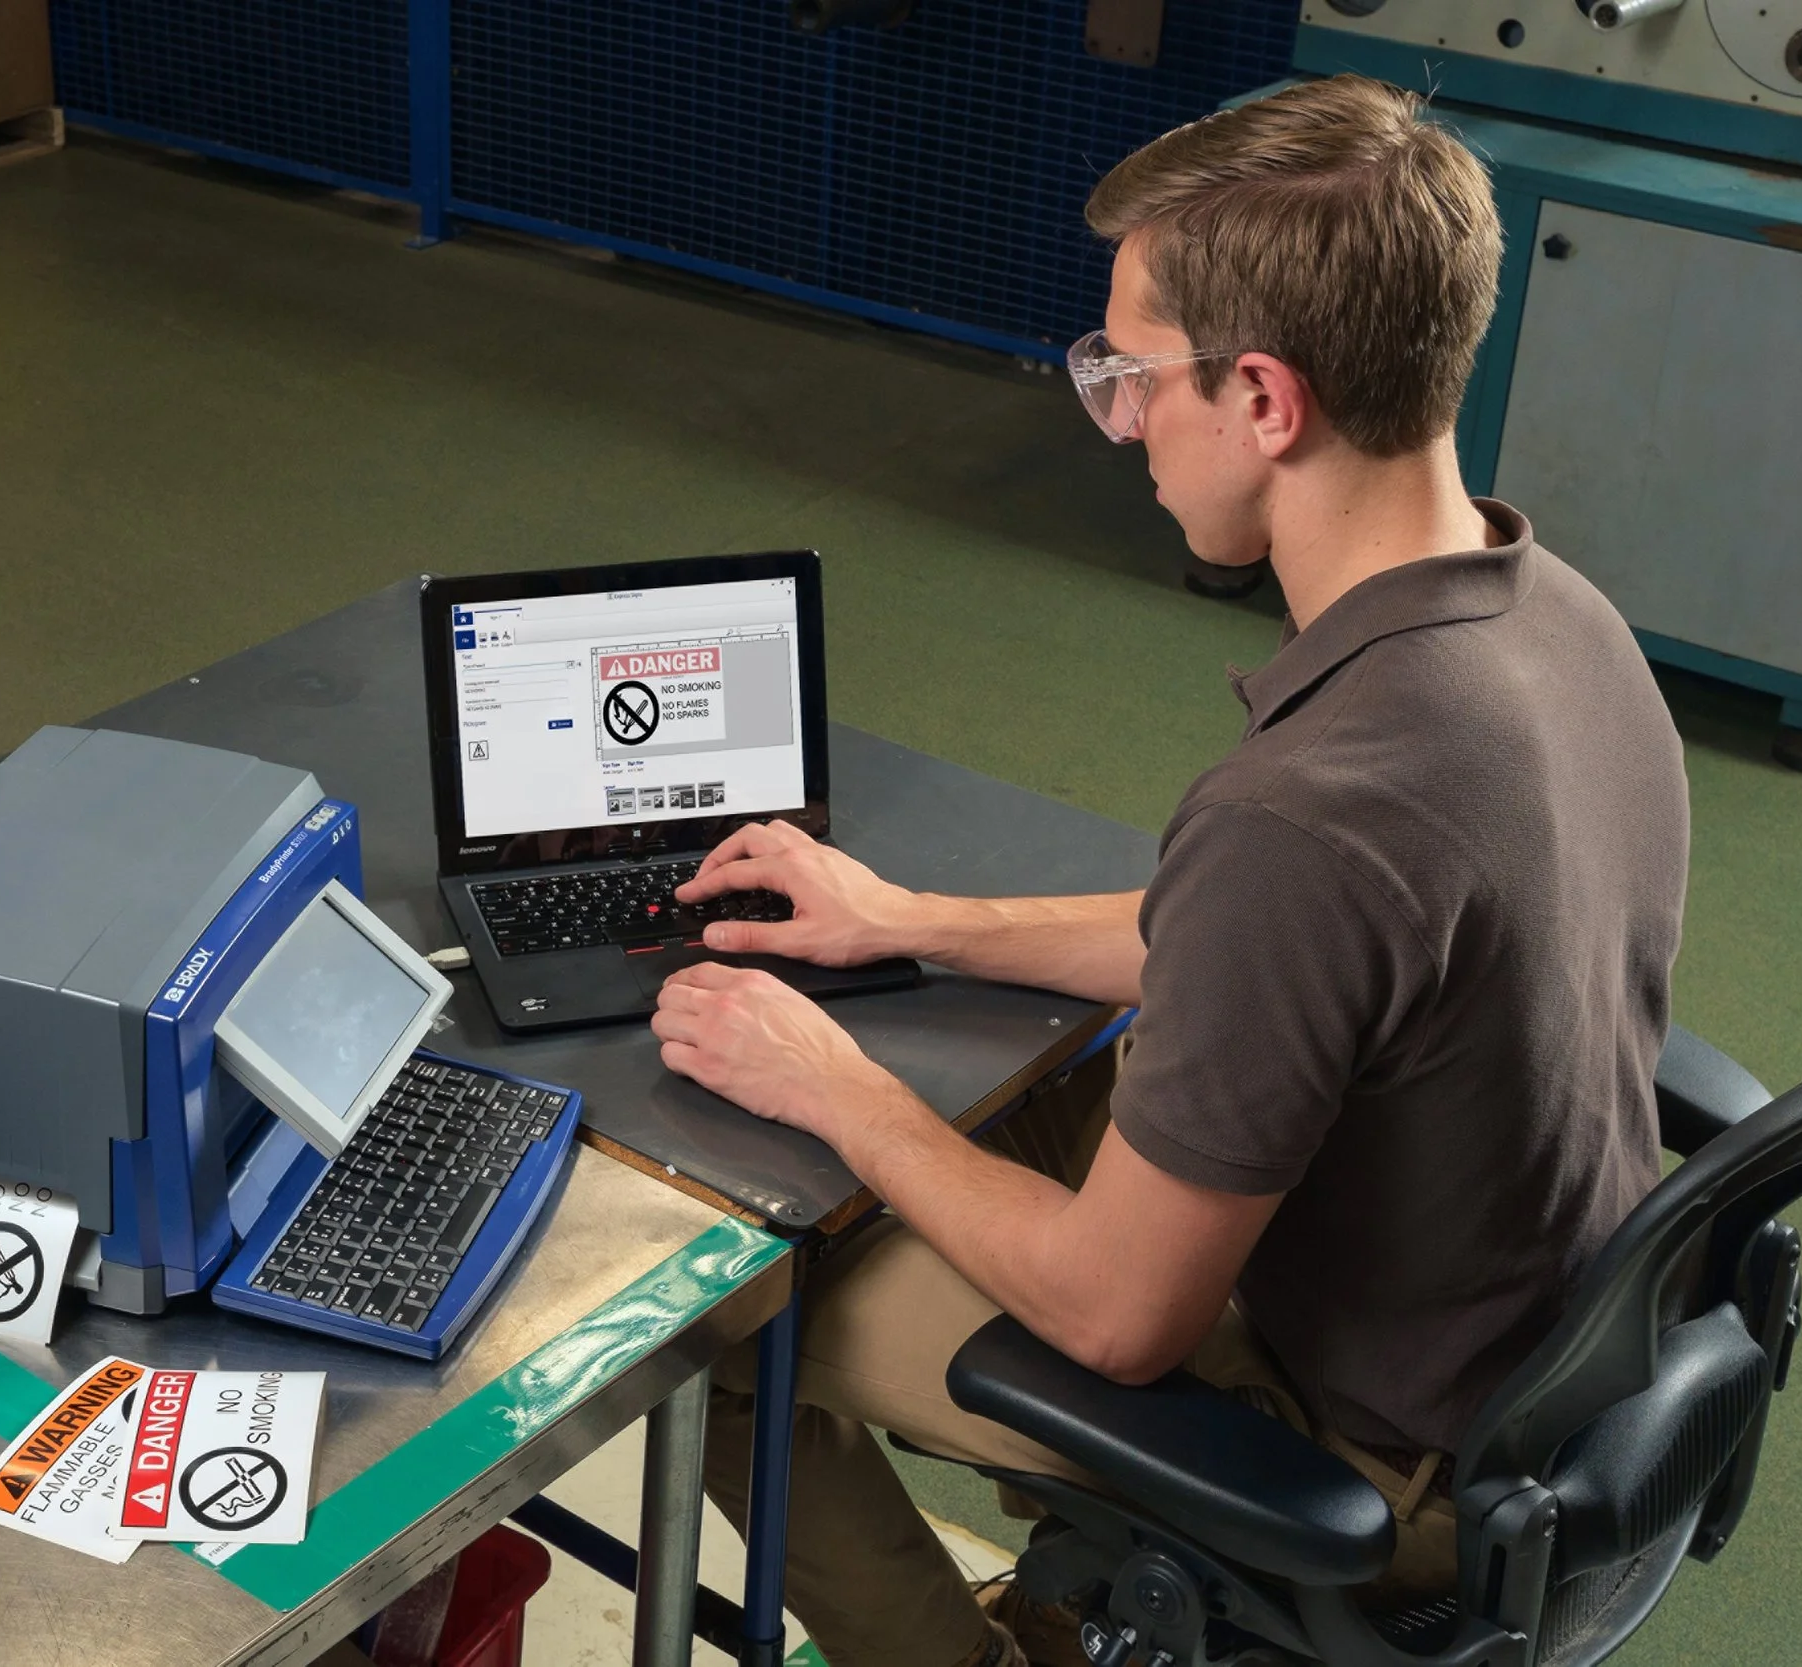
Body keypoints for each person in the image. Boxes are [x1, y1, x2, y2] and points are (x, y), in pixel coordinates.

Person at [653, 74, 1690, 1667]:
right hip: (1516, 1346)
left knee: (728, 1324)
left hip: (1370, 1454)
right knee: (969, 1117)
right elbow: (1282, 954)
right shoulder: (1554, 616)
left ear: (1264, 401)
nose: (1120, 417)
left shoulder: (1313, 812)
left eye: (1133, 373)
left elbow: (1116, 1313)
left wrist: (839, 1086)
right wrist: (909, 922)